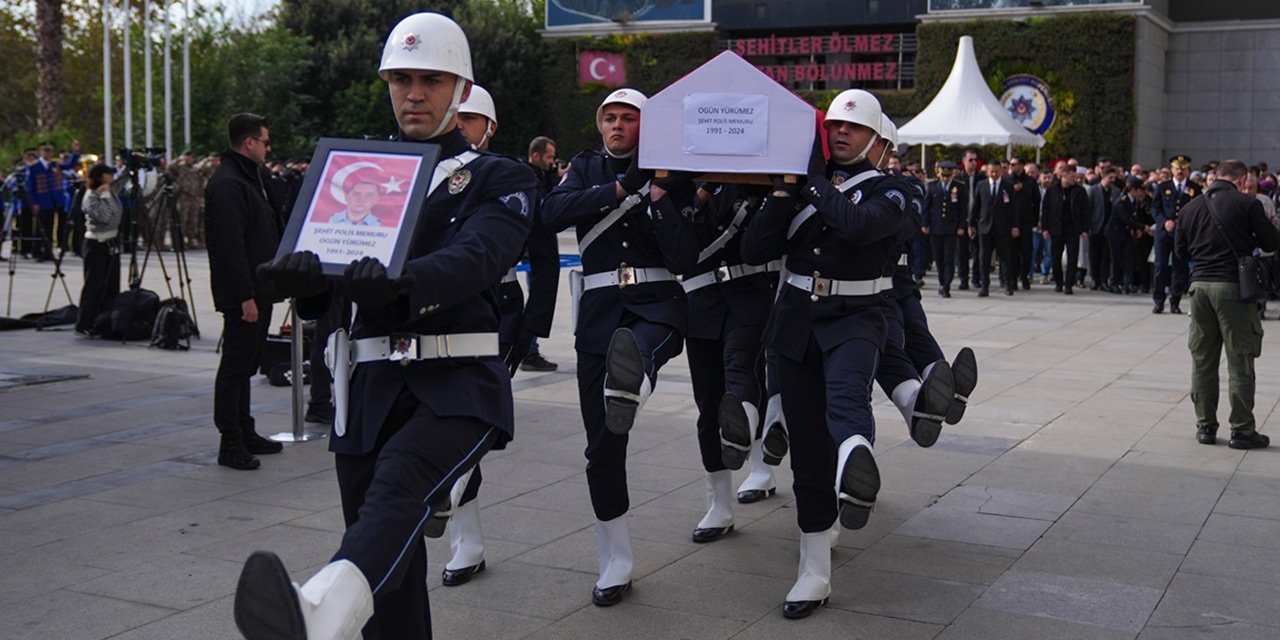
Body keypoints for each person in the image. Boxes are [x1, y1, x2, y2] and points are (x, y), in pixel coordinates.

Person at [235, 12, 537, 640]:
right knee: (389, 567)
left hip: (454, 384)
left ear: (460, 89)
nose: (413, 93)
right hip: (368, 391)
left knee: (396, 492)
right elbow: (335, 282)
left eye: (431, 79)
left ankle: (318, 610)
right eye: (401, 79)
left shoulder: (498, 177)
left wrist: (405, 283)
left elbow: (477, 257)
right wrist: (311, 287)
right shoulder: (360, 173)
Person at [740, 90, 910, 619]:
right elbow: (754, 249)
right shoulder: (799, 188)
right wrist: (782, 193)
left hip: (857, 316)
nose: (840, 134)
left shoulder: (896, 189)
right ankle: (813, 569)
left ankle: (857, 462)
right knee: (808, 443)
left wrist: (807, 180)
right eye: (834, 126)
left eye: (854, 129)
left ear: (878, 141)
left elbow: (859, 226)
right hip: (794, 319)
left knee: (846, 397)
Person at [542, 88, 700, 607]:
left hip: (657, 299)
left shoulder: (672, 171)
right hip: (602, 308)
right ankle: (616, 556)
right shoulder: (586, 168)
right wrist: (618, 188)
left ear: (646, 125)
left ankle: (637, 377)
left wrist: (658, 198)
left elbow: (685, 253)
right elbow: (552, 212)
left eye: (628, 118)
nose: (617, 126)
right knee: (602, 446)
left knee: (645, 349)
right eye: (609, 117)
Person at [1175, 159, 1279, 450]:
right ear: (1242, 179)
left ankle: (1205, 427)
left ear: (1215, 177)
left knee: (1203, 361)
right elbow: (1272, 242)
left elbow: (1180, 251)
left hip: (1199, 288)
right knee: (1240, 361)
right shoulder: (1247, 204)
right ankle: (1242, 430)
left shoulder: (1190, 208)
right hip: (1233, 288)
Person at [205, 113, 284, 472]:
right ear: (249, 143)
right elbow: (229, 246)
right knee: (236, 366)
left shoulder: (249, 177)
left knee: (247, 362)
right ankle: (230, 440)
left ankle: (245, 429)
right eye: (265, 142)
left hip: (258, 287)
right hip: (245, 292)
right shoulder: (228, 183)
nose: (269, 148)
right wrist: (245, 296)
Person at [519, 136, 563, 373]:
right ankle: (528, 349)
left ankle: (528, 347)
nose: (552, 162)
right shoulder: (526, 178)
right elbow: (546, 207)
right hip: (533, 250)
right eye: (549, 157)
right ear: (535, 156)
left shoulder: (540, 177)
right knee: (535, 299)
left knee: (535, 297)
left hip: (536, 249)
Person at [1152, 154, 1203, 314]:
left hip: (1182, 234)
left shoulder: (1195, 189)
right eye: (1177, 168)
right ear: (1172, 170)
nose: (1180, 171)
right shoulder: (1163, 186)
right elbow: (1155, 208)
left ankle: (1175, 301)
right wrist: (1163, 221)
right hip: (1164, 233)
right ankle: (1159, 301)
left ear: (1188, 170)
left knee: (1179, 268)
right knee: (1160, 267)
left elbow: (1197, 210)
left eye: (1183, 168)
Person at [75, 164, 123, 335]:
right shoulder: (91, 196)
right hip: (96, 244)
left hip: (111, 241)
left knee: (111, 284)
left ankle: (105, 319)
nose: (112, 176)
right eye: (108, 174)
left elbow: (117, 215)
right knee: (94, 284)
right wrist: (105, 196)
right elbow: (104, 217)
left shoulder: (109, 190)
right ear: (100, 177)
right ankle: (85, 322)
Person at [970, 158, 1017, 297]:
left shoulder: (1008, 186)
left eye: (997, 171)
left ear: (1001, 171)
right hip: (985, 227)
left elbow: (1014, 208)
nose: (994, 174)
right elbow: (976, 206)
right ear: (987, 172)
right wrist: (971, 223)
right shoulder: (981, 185)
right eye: (992, 171)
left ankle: (1008, 285)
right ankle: (985, 286)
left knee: (1005, 257)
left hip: (1002, 227)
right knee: (983, 257)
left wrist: (1015, 226)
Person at [1041, 164, 1089, 295]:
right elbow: (1046, 210)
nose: (1075, 179)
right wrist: (1045, 227)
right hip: (1056, 228)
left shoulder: (1080, 191)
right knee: (1055, 257)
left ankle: (1069, 284)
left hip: (1073, 229)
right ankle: (1059, 282)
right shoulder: (1052, 190)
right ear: (1064, 176)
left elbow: (1085, 211)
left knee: (1072, 258)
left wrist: (1085, 228)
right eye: (1072, 176)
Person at [923, 160, 964, 297]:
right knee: (938, 258)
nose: (945, 179)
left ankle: (946, 285)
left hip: (951, 228)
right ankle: (942, 282)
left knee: (948, 258)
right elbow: (926, 207)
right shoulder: (932, 186)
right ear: (939, 175)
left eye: (948, 176)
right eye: (943, 176)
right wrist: (925, 224)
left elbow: (962, 209)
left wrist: (961, 226)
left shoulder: (959, 187)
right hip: (936, 227)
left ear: (952, 175)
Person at [1106, 176, 1147, 294]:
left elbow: (1134, 217)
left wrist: (1137, 229)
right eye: (1140, 190)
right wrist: (1142, 227)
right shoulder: (1122, 201)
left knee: (1128, 259)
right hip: (1116, 233)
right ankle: (1114, 283)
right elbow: (1126, 219)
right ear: (1133, 190)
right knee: (1116, 259)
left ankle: (1127, 283)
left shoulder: (1134, 201)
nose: (1141, 192)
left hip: (1126, 234)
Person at [1007, 157, 1039, 290]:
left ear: (1021, 165)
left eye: (1015, 164)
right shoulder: (1007, 180)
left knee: (1027, 252)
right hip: (1011, 222)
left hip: (1026, 222)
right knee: (1013, 253)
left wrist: (1035, 220)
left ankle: (1024, 276)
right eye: (1011, 164)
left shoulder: (1030, 181)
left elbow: (1036, 201)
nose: (1013, 166)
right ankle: (1013, 279)